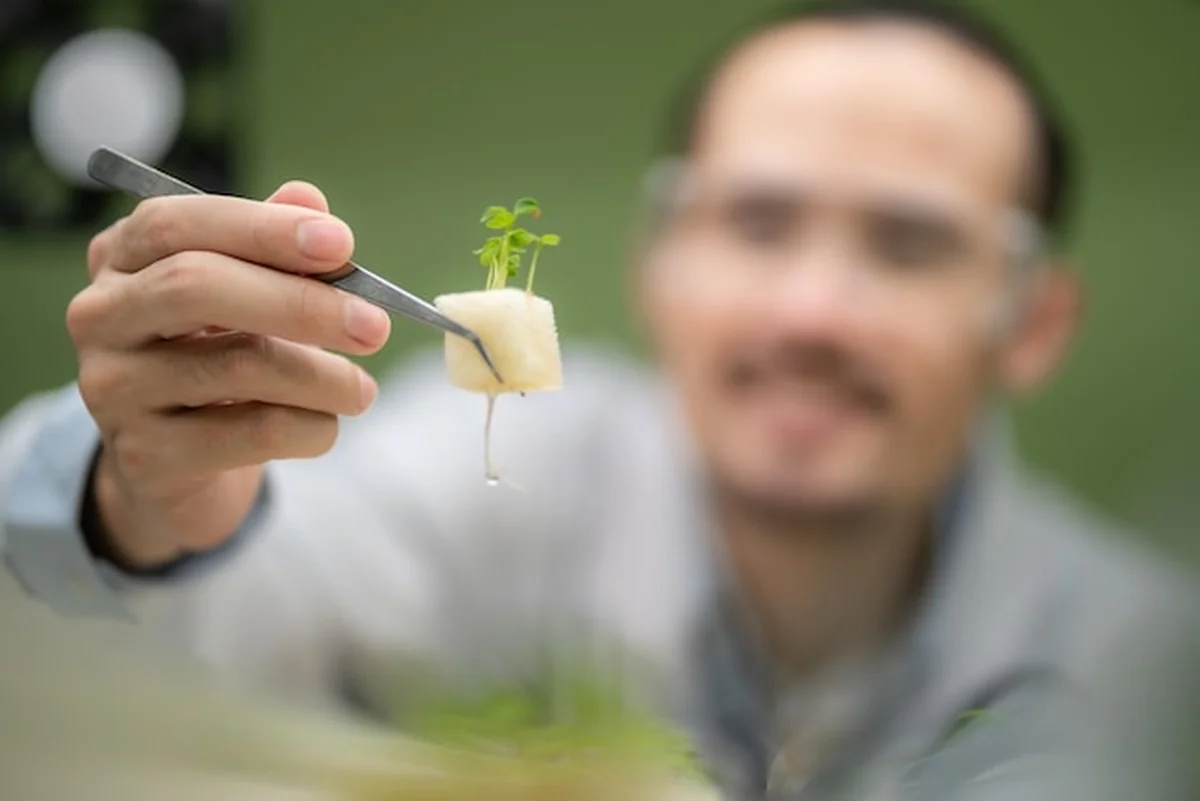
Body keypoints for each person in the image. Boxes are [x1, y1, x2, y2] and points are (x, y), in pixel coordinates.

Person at [1, 1, 1193, 798]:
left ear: (1032, 323)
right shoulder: (499, 488)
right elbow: (240, 588)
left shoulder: (1147, 669)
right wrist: (156, 490)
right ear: (658, 263)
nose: (812, 311)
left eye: (910, 245)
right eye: (758, 223)